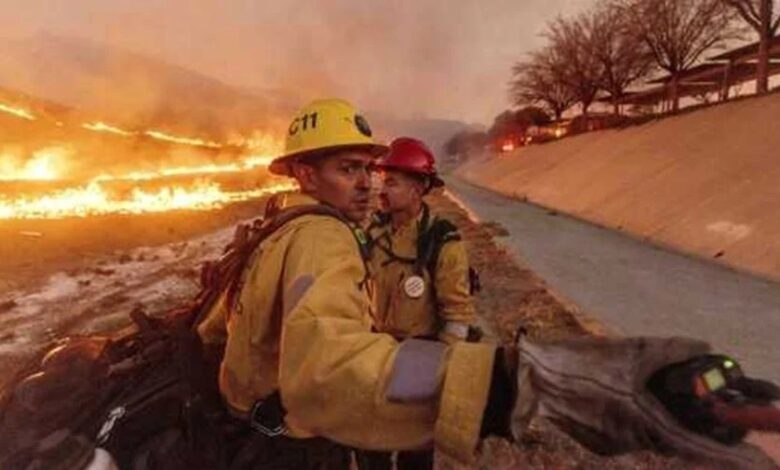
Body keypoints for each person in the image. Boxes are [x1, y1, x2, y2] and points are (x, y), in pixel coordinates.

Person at [196, 98, 776, 470]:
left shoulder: (274, 231)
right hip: (296, 440)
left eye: (370, 171)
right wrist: (508, 384)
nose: (370, 186)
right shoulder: (321, 238)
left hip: (281, 423)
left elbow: (217, 331)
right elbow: (330, 367)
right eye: (349, 170)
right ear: (304, 172)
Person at [355, 137, 479, 469]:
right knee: (370, 449)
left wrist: (441, 373)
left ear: (418, 188)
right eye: (382, 180)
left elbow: (457, 315)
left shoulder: (442, 240)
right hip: (374, 355)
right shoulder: (374, 231)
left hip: (419, 358)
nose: (381, 189)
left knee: (414, 454)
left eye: (391, 182)